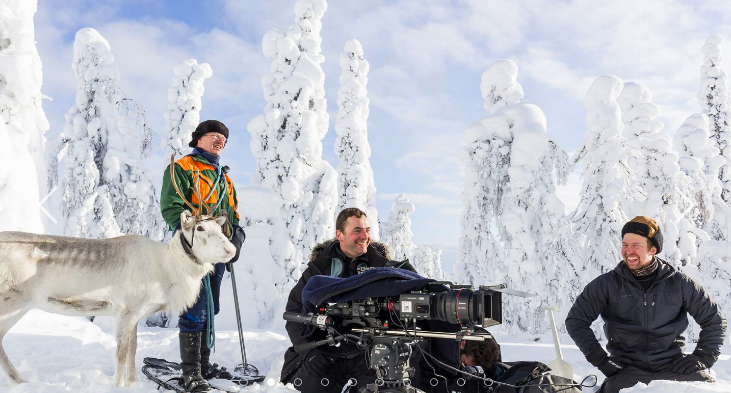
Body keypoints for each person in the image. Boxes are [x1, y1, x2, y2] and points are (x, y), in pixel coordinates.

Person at [565, 216, 727, 393]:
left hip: (673, 367)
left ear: (653, 249)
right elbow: (576, 321)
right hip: (626, 370)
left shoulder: (681, 284)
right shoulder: (606, 285)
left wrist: (702, 358)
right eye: (625, 245)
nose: (628, 251)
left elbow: (714, 321)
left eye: (636, 246)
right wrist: (603, 362)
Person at [160, 120, 244, 393]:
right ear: (199, 139)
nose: (220, 140)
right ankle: (191, 373)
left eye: (224, 138)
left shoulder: (224, 177)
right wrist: (191, 237)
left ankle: (203, 365)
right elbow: (171, 207)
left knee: (210, 306)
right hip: (192, 253)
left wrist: (237, 236)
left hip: (216, 251)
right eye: (214, 136)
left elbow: (232, 212)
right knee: (195, 308)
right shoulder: (182, 168)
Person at [281, 207, 392, 393]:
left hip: (369, 353)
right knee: (309, 383)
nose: (365, 236)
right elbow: (294, 310)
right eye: (357, 230)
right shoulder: (319, 269)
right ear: (339, 235)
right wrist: (309, 348)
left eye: (367, 230)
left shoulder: (384, 267)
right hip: (325, 350)